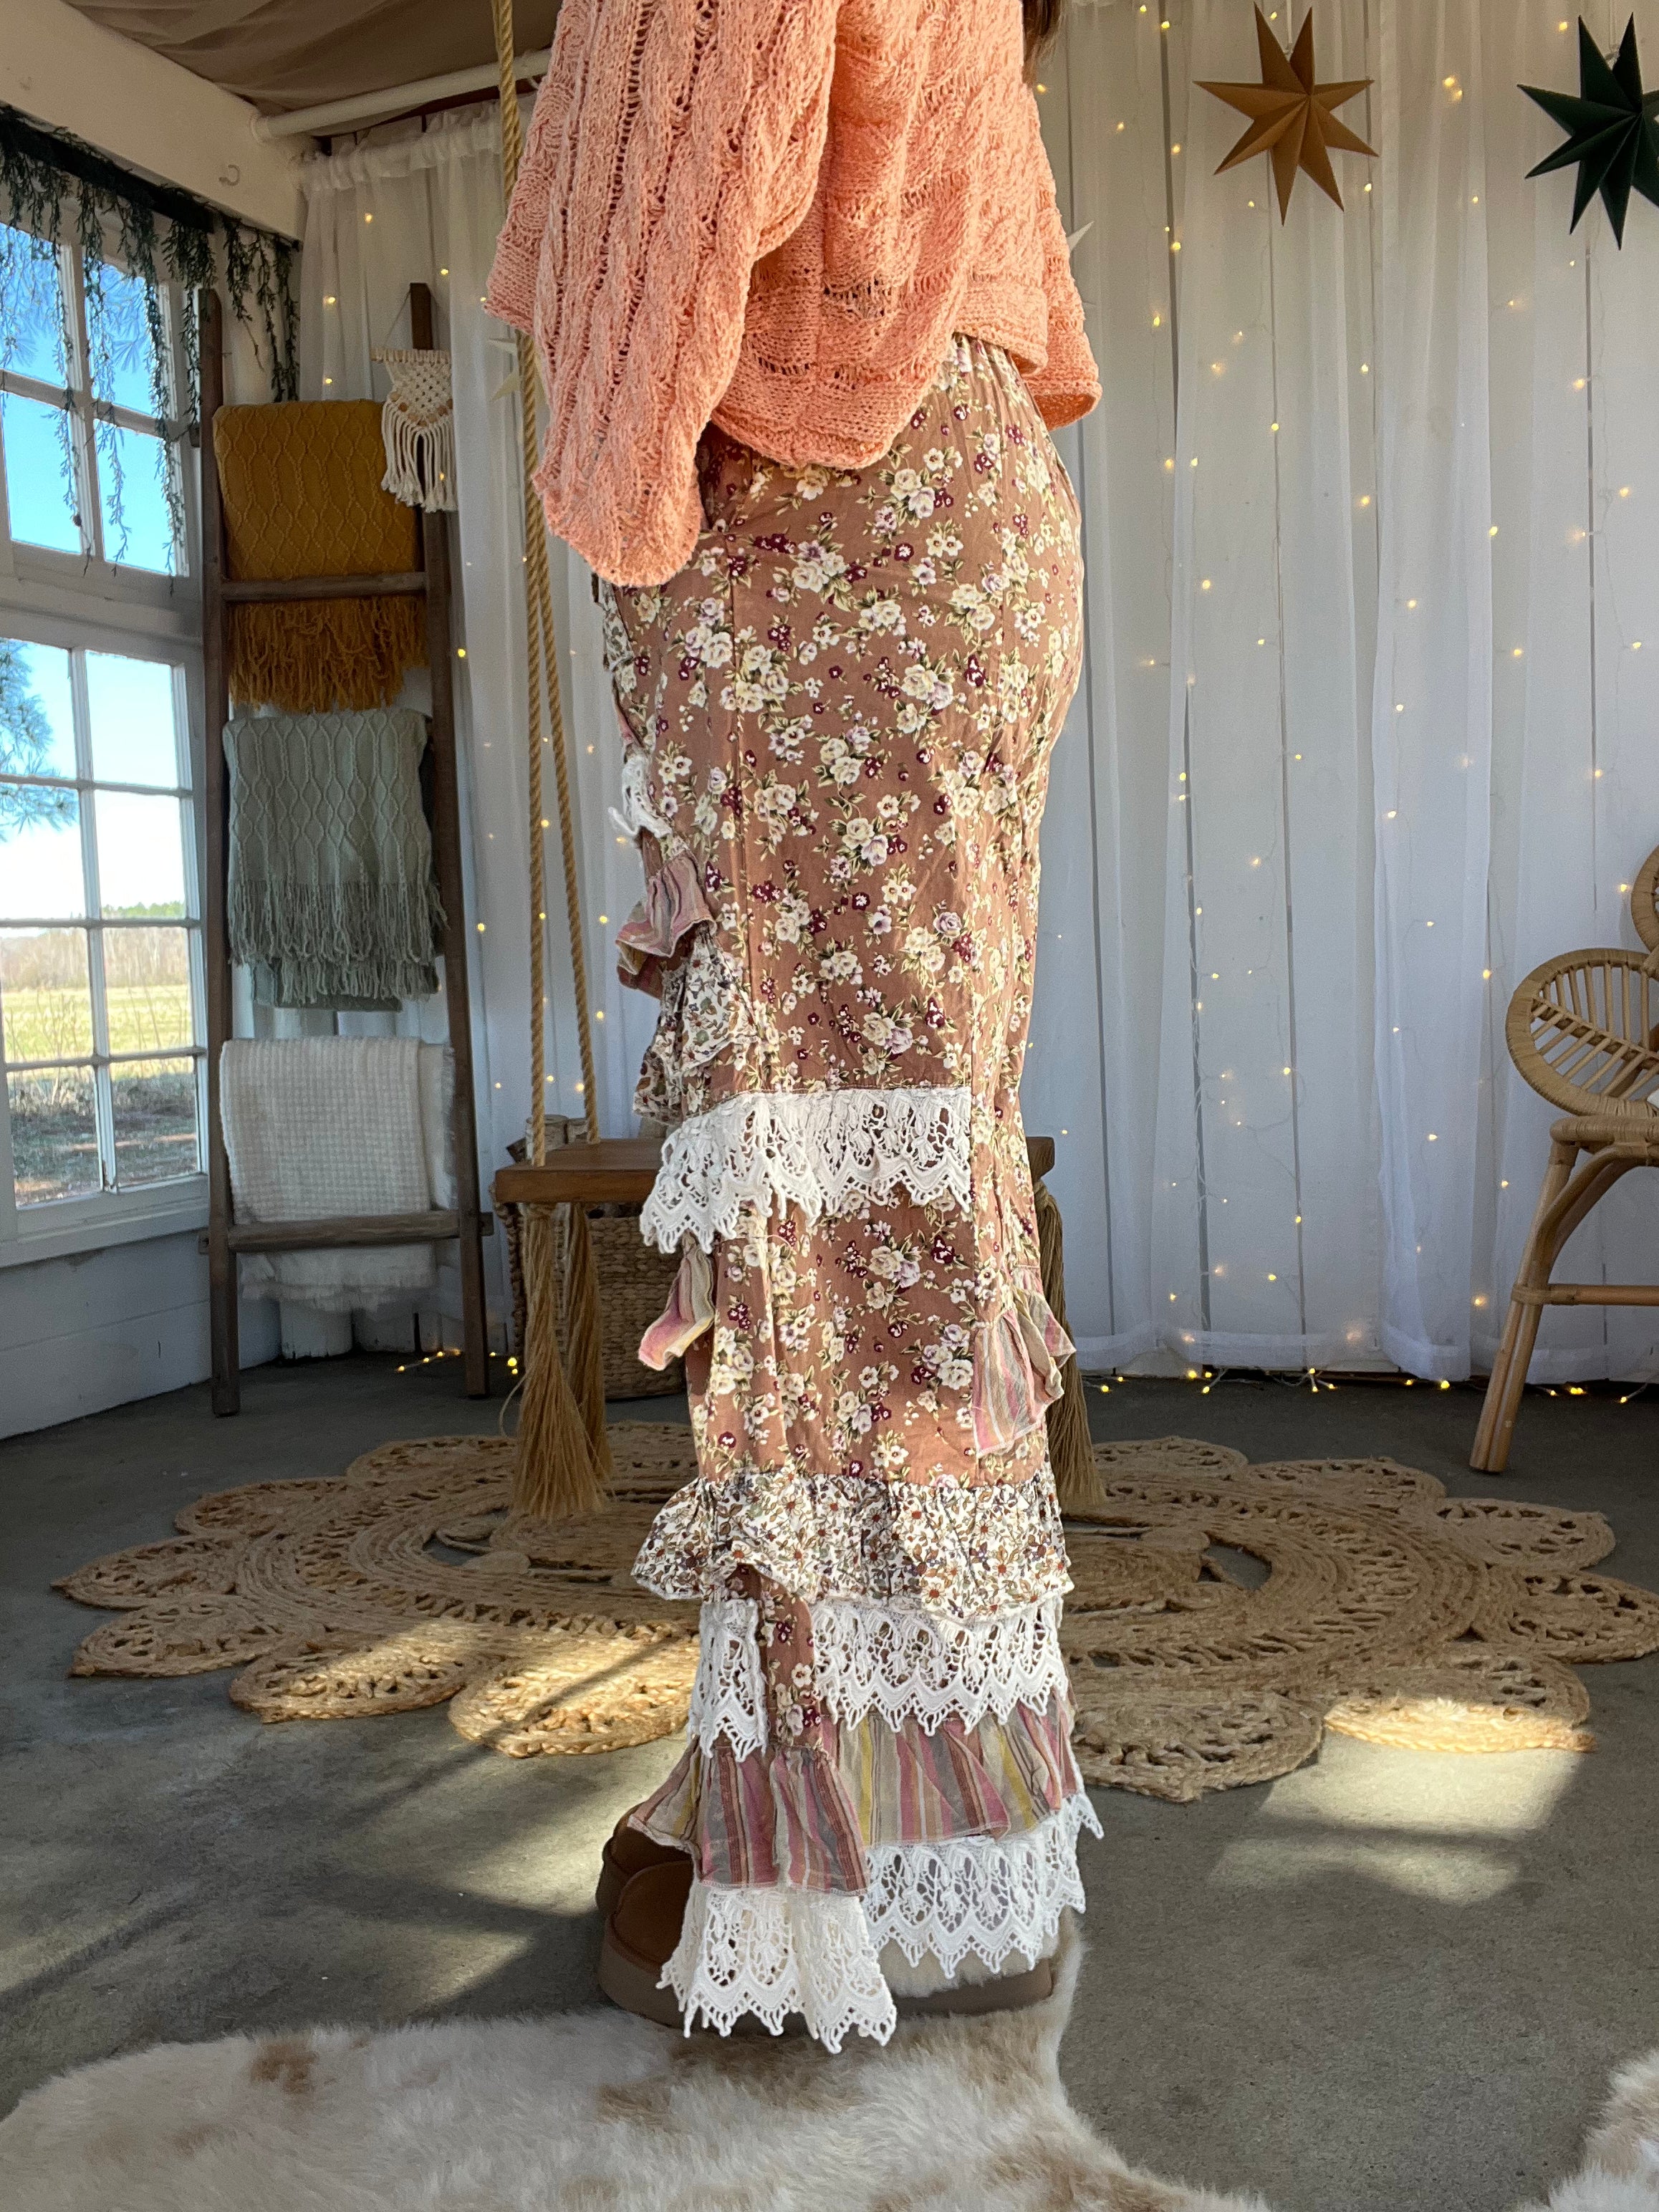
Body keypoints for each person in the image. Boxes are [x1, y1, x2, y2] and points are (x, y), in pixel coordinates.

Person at [488, 0, 1100, 2050]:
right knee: (902, 1193)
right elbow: (1034, 326)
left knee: (818, 1214)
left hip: (815, 525)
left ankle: (834, 1849)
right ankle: (948, 1811)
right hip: (959, 521)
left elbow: (673, 229)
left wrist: (628, 527)